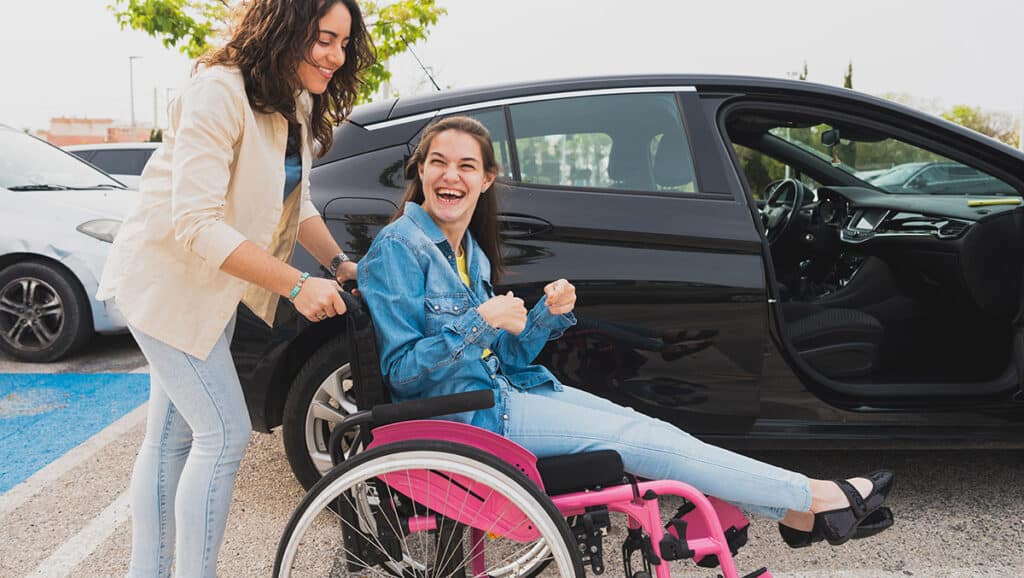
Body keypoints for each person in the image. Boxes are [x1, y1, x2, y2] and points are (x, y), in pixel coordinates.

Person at [357, 116, 895, 551]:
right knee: (646, 446)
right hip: (469, 418)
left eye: (466, 166)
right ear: (421, 171)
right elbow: (402, 370)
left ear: (487, 178)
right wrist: (482, 319)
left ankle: (797, 510)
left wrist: (546, 314)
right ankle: (816, 497)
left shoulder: (466, 248)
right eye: (439, 164)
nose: (451, 177)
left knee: (650, 427)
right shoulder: (399, 247)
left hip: (507, 391)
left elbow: (504, 352)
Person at [95, 1, 374, 575]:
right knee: (222, 436)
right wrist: (298, 285)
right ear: (285, 28)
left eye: (344, 43)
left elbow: (295, 202)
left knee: (171, 439)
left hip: (213, 289)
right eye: (324, 38)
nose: (335, 56)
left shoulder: (292, 99)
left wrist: (341, 264)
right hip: (166, 287)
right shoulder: (219, 91)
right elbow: (194, 221)